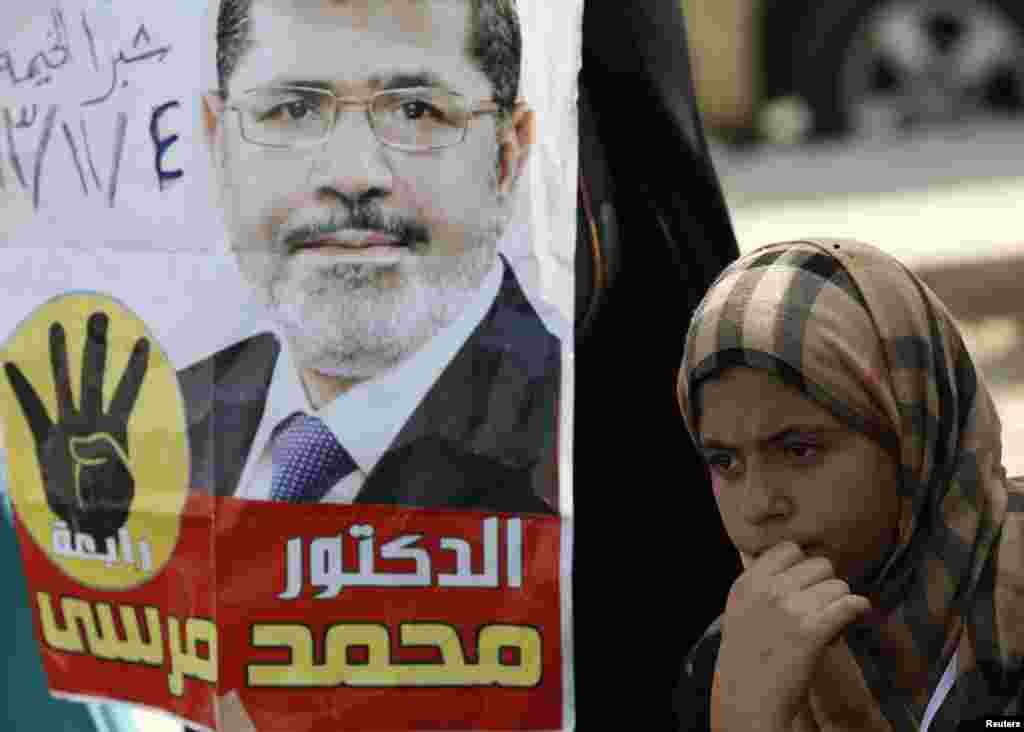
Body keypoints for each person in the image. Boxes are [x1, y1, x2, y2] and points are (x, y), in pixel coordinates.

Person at [183, 0, 560, 512]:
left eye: (416, 110)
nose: (353, 175)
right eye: (293, 109)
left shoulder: (588, 441)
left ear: (506, 156)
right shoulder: (149, 426)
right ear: (220, 145)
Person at [673, 237, 1024, 730]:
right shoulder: (734, 661)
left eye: (799, 450)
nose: (757, 505)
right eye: (724, 461)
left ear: (909, 439)